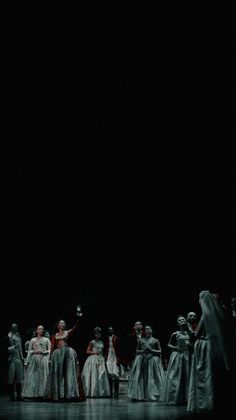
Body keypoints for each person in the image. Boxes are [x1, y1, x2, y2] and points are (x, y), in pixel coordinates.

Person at [187, 291, 234, 416]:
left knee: (204, 376)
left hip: (204, 347)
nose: (198, 301)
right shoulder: (220, 315)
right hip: (216, 347)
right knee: (214, 375)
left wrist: (188, 330)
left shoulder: (205, 315)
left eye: (199, 299)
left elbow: (196, 335)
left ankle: (205, 403)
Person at [45, 306, 85, 402]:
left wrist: (79, 317)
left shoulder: (67, 332)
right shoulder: (55, 335)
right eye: (61, 323)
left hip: (67, 354)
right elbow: (52, 346)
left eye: (64, 323)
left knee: (68, 373)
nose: (63, 324)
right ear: (58, 325)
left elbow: (76, 327)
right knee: (58, 374)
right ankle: (58, 394)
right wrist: (50, 358)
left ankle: (69, 394)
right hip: (58, 354)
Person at [127, 325, 165, 402]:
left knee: (151, 378)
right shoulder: (141, 340)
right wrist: (144, 351)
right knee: (142, 377)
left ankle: (152, 394)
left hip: (152, 360)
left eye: (149, 329)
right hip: (143, 360)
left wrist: (151, 350)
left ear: (151, 331)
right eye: (146, 329)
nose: (147, 330)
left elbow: (160, 351)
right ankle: (141, 395)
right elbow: (137, 351)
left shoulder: (155, 340)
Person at [161, 315, 191, 405]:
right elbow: (168, 345)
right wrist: (175, 348)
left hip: (187, 354)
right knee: (175, 376)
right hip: (177, 355)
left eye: (183, 319)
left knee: (187, 376)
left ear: (186, 321)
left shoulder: (190, 332)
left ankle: (187, 398)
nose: (181, 320)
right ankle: (174, 397)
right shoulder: (175, 333)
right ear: (178, 323)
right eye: (180, 320)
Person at [22, 325, 51, 400]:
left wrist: (44, 352)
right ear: (36, 331)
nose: (41, 330)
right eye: (40, 329)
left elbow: (49, 350)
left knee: (43, 376)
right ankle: (32, 394)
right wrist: (34, 352)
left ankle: (43, 394)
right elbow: (29, 351)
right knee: (34, 376)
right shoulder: (33, 340)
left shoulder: (46, 340)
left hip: (43, 359)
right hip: (34, 359)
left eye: (42, 329)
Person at [81, 326, 111, 397]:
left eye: (99, 334)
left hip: (101, 359)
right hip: (93, 359)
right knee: (94, 375)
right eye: (96, 334)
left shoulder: (102, 342)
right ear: (94, 334)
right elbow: (87, 351)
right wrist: (95, 353)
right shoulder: (92, 342)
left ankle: (101, 392)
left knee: (101, 374)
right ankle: (92, 392)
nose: (97, 335)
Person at [1, 323, 24, 401]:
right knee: (11, 378)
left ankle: (19, 395)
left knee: (19, 378)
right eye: (13, 327)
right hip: (11, 359)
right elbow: (3, 349)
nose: (15, 329)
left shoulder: (20, 337)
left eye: (16, 327)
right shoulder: (6, 337)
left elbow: (22, 348)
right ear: (10, 328)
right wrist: (12, 348)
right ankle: (11, 395)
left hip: (19, 359)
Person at [104, 326, 123, 398]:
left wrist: (119, 360)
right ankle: (110, 392)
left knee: (116, 375)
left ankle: (116, 392)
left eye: (111, 330)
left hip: (115, 358)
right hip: (109, 358)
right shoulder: (105, 339)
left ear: (113, 331)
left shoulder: (117, 339)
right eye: (109, 330)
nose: (110, 331)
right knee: (109, 375)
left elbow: (120, 351)